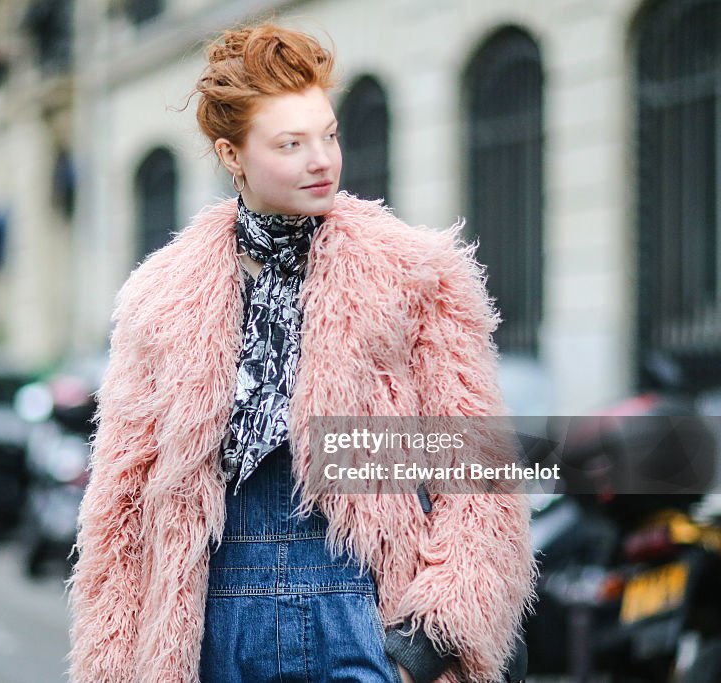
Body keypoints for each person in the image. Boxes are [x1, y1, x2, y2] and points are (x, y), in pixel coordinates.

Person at [67, 22, 535, 683]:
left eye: (329, 134)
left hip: (365, 613)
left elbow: (478, 477)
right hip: (210, 625)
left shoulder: (415, 274)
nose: (323, 159)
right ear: (232, 155)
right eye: (291, 143)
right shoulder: (161, 298)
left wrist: (428, 645)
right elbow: (121, 511)